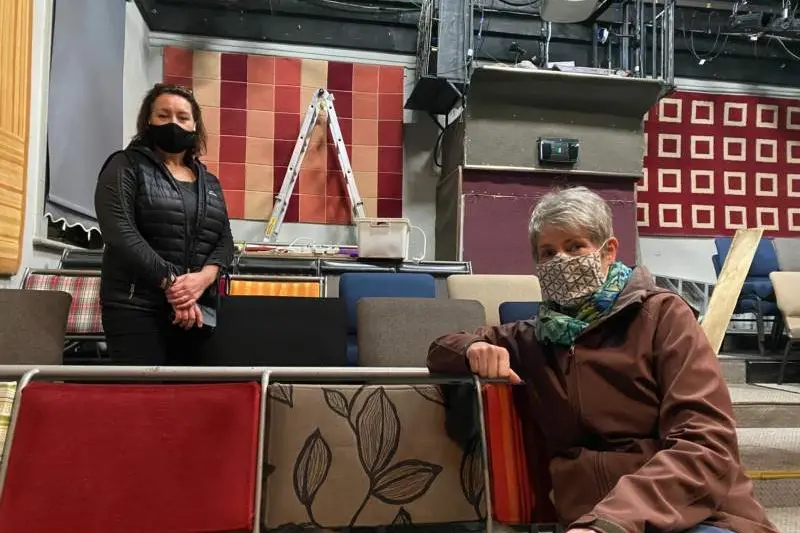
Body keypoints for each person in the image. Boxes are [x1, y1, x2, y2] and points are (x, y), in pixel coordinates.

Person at [428, 187, 777, 533]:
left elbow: (705, 443)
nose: (561, 262)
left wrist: (612, 522)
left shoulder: (662, 316)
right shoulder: (534, 337)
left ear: (609, 251)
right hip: (587, 519)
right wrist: (472, 349)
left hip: (693, 514)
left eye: (575, 246)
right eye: (547, 253)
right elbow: (441, 347)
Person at [95, 83, 234, 365]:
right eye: (163, 115)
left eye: (183, 117)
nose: (173, 123)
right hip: (135, 307)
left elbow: (224, 240)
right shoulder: (125, 165)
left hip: (197, 310)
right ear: (148, 120)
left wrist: (201, 281)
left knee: (191, 401)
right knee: (142, 401)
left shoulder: (210, 182)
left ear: (195, 125)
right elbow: (120, 233)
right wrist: (174, 285)